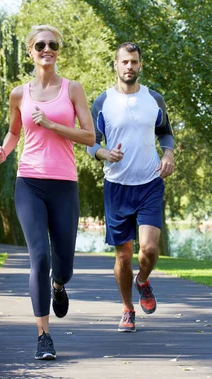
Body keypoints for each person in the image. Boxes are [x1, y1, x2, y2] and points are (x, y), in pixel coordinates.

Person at [0, 25, 94, 360]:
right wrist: (4, 152)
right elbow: (13, 132)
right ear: (30, 51)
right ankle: (43, 335)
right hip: (29, 182)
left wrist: (52, 125)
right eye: (40, 45)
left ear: (58, 50)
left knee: (63, 265)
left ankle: (59, 285)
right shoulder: (19, 94)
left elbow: (89, 137)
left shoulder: (73, 89)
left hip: (64, 184)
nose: (46, 49)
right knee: (39, 257)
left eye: (52, 45)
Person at [87, 42, 175, 333]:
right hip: (117, 186)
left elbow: (166, 133)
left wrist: (169, 155)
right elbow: (91, 143)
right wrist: (104, 153)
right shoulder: (102, 102)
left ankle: (143, 280)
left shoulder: (154, 99)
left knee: (148, 250)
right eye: (124, 62)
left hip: (150, 182)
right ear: (116, 65)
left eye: (134, 62)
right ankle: (127, 309)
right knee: (123, 255)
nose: (129, 67)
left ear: (140, 65)